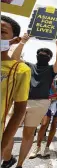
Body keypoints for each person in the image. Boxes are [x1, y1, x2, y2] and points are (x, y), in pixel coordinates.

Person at [3, 33, 57, 168]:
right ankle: (7, 158)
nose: (43, 55)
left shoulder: (51, 70)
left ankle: (19, 164)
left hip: (39, 103)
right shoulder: (28, 66)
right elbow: (14, 58)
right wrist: (23, 42)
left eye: (46, 54)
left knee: (28, 135)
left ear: (49, 59)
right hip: (20, 101)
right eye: (41, 53)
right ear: (36, 56)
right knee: (7, 131)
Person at [1, 16, 31, 162]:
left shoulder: (19, 70)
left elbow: (19, 111)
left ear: (14, 40)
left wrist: (3, 145)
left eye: (2, 32)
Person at [29, 68, 57, 158]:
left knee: (54, 125)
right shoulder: (56, 81)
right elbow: (52, 93)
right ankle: (37, 146)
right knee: (44, 124)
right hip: (49, 103)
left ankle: (46, 147)